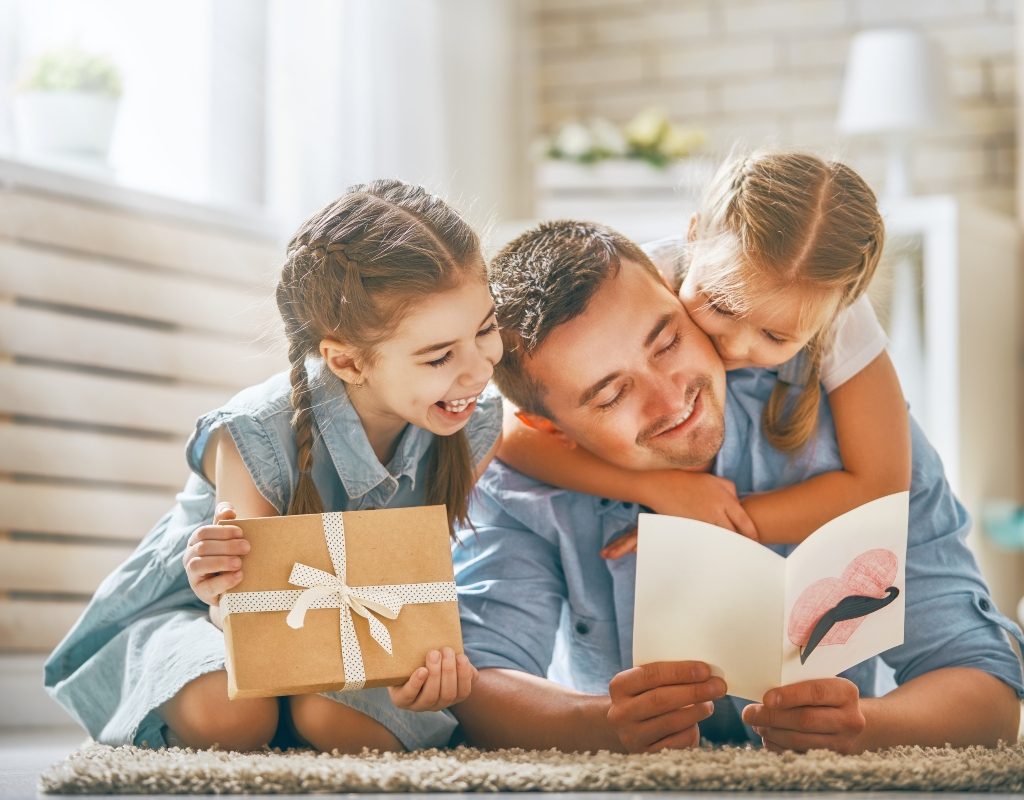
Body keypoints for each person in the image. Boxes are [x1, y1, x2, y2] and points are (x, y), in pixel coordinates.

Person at [451, 218, 1024, 754]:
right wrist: (594, 722)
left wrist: (865, 727)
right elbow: (474, 678)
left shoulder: (850, 436)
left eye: (668, 342)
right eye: (611, 394)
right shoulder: (518, 480)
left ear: (680, 297)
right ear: (550, 429)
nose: (671, 398)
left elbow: (985, 681)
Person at [44, 180, 503, 753]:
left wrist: (423, 671)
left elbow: (420, 588)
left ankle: (306, 715)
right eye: (439, 356)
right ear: (346, 361)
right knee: (231, 718)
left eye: (485, 328)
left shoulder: (473, 423)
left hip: (359, 624)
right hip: (205, 620)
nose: (478, 369)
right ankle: (277, 715)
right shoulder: (255, 431)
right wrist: (221, 590)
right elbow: (245, 617)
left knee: (341, 725)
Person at [499, 152, 907, 548]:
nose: (733, 345)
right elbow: (507, 428)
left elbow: (881, 483)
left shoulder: (830, 307)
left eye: (775, 337)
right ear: (692, 238)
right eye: (720, 306)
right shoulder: (636, 283)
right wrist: (657, 486)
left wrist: (707, 523)